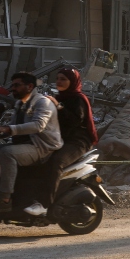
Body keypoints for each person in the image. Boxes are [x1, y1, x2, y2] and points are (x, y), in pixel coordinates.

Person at [0, 71, 62, 214]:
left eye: (17, 85)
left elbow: (38, 125)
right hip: (25, 145)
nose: (13, 88)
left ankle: (4, 199)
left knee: (7, 153)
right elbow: (14, 128)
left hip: (42, 147)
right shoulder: (20, 104)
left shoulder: (43, 102)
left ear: (29, 86)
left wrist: (8, 129)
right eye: (12, 85)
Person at [42, 66, 98, 207]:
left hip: (78, 141)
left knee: (56, 162)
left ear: (72, 81)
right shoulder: (59, 97)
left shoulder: (78, 99)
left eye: (63, 79)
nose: (59, 82)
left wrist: (59, 106)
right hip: (61, 139)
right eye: (57, 79)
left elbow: (74, 121)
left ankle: (46, 203)